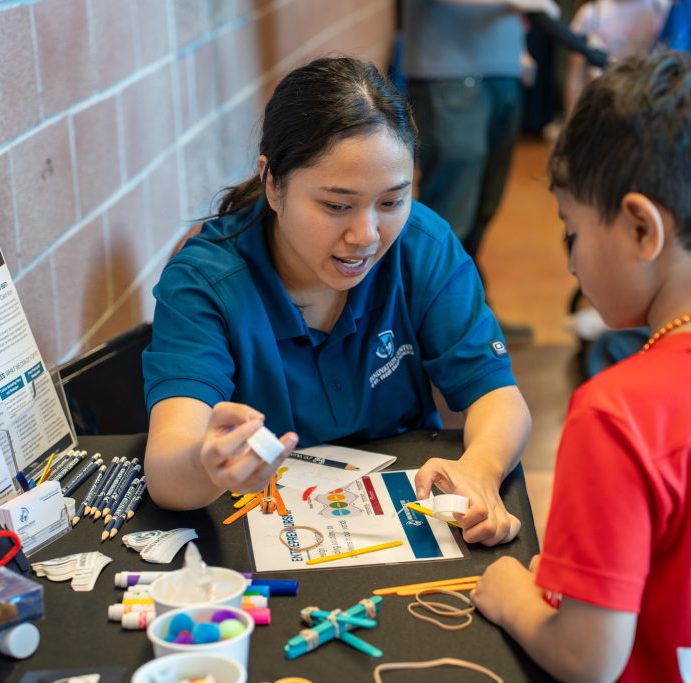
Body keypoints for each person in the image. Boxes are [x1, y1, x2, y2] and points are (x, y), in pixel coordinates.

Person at [471, 52, 691, 681]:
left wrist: (509, 595)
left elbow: (588, 657)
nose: (574, 265)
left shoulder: (616, 412)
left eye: (573, 233)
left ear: (641, 227)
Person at [142, 57, 531, 547]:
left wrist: (480, 468)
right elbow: (166, 468)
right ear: (273, 183)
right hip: (259, 536)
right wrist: (208, 462)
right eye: (336, 206)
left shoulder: (423, 245)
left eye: (391, 201)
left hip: (401, 514)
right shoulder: (204, 282)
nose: (366, 236)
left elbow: (499, 397)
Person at [400, 0, 561, 344]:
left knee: (483, 209)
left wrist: (515, 45)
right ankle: (428, 334)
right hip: (449, 72)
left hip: (502, 71)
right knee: (451, 214)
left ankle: (466, 319)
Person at [564, 0, 670, 116]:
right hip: (601, 111)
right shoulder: (591, 14)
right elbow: (575, 76)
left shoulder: (661, 8)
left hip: (647, 110)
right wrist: (571, 119)